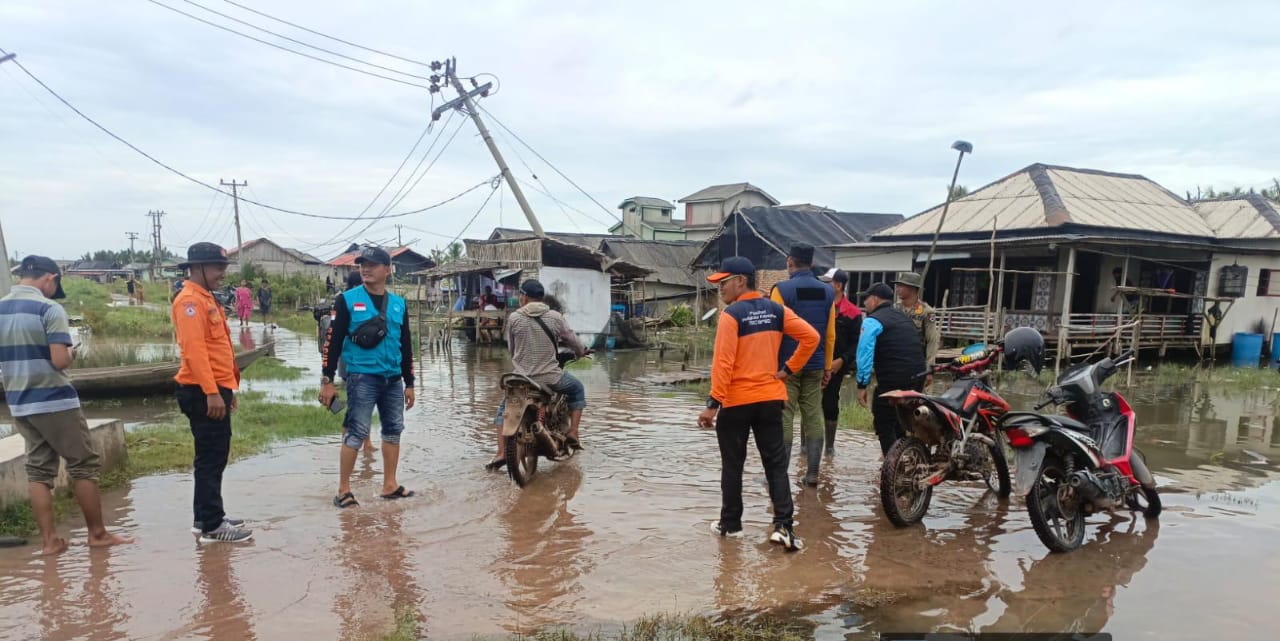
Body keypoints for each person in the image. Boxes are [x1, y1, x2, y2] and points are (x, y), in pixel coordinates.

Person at [0, 256, 134, 555]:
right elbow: (60, 360)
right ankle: (97, 534)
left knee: (38, 471)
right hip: (54, 401)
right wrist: (72, 353)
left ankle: (49, 542)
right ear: (50, 278)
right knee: (83, 465)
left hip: (19, 402)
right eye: (54, 284)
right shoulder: (49, 309)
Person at [698, 256, 818, 551]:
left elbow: (723, 364)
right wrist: (788, 370)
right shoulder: (777, 310)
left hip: (737, 401)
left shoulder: (731, 315)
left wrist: (713, 404)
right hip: (770, 400)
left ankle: (731, 525)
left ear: (741, 281)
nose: (721, 289)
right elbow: (811, 337)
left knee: (732, 465)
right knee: (775, 465)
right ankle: (784, 527)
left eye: (724, 282)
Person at [319, 247, 417, 508]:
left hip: (393, 379)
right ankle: (343, 490)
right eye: (362, 264)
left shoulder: (399, 304)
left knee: (393, 431)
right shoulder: (347, 300)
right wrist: (327, 380)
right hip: (362, 377)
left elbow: (406, 345)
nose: (365, 269)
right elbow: (333, 342)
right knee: (356, 432)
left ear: (388, 270)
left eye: (372, 264)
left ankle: (390, 485)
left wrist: (410, 382)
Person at [172, 243, 253, 543]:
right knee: (211, 458)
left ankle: (205, 517)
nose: (222, 273)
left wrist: (227, 389)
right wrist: (211, 392)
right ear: (197, 268)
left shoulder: (206, 298)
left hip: (216, 388)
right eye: (218, 267)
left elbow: (218, 350)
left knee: (214, 456)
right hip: (202, 390)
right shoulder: (190, 302)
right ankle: (212, 525)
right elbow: (195, 352)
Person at [487, 280, 587, 470]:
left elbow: (512, 349)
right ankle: (574, 432)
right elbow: (572, 339)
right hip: (550, 377)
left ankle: (501, 452)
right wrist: (581, 351)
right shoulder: (555, 317)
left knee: (502, 411)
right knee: (578, 389)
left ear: (524, 297)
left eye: (520, 295)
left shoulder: (514, 318)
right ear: (541, 298)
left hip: (521, 379)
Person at [769, 243, 837, 487]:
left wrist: (772, 367)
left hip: (786, 367)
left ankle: (779, 476)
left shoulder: (781, 290)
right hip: (816, 364)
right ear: (812, 262)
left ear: (790, 261)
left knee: (785, 415)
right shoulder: (828, 292)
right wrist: (827, 366)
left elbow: (773, 332)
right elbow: (830, 334)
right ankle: (812, 475)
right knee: (813, 415)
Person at [856, 283, 927, 455]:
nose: (864, 303)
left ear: (875, 299)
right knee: (900, 421)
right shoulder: (903, 317)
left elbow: (864, 353)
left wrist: (862, 384)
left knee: (883, 421)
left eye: (866, 299)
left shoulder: (872, 321)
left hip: (894, 378)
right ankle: (905, 459)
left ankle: (892, 464)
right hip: (918, 376)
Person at [818, 268, 862, 457]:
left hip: (836, 365)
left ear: (838, 285)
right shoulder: (817, 307)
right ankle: (805, 448)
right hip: (815, 363)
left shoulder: (853, 313)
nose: (823, 285)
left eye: (827, 282)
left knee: (830, 403)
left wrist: (841, 361)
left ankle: (829, 448)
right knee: (809, 404)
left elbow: (855, 344)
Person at [893, 271, 940, 386]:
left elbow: (932, 340)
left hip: (916, 363)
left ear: (912, 289)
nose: (897, 289)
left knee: (913, 394)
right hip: (895, 362)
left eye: (901, 286)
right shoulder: (894, 309)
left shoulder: (926, 311)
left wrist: (930, 369)